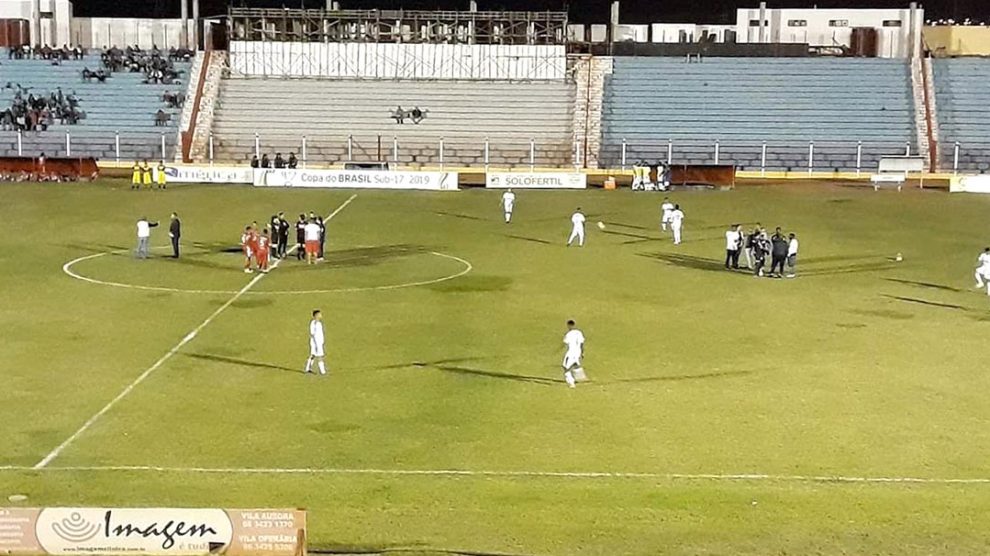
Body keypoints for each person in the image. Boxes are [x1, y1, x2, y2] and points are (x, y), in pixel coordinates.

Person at [561, 320, 587, 388]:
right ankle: (580, 375)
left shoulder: (568, 334)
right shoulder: (579, 332)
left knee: (566, 368)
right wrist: (582, 352)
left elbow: (564, 343)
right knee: (574, 364)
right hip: (577, 353)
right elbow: (582, 343)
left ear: (568, 325)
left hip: (571, 353)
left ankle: (571, 383)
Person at [305, 309, 327, 376]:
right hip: (316, 343)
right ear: (316, 315)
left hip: (319, 342)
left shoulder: (319, 323)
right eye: (319, 314)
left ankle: (308, 368)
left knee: (313, 355)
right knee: (320, 356)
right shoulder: (314, 323)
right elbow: (312, 333)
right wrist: (317, 344)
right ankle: (322, 371)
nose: (321, 315)